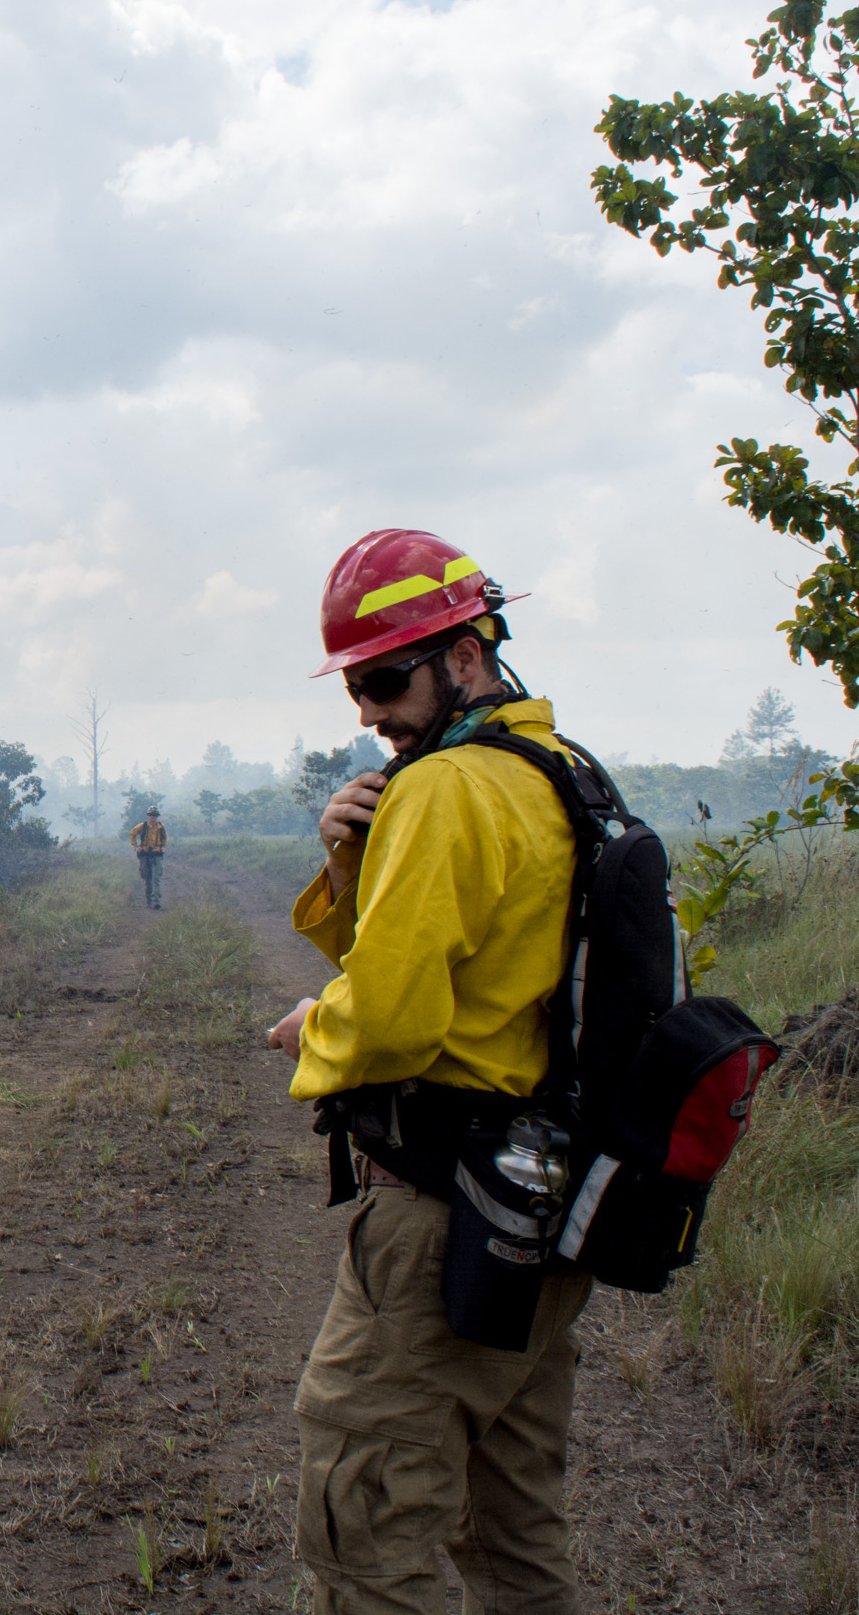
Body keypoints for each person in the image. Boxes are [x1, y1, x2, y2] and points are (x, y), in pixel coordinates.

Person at [263, 528, 595, 1615]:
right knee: (511, 1529)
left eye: (383, 677)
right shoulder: (560, 773)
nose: (365, 709)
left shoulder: (446, 791)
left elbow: (393, 1015)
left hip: (443, 1219)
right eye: (355, 686)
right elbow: (470, 965)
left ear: (465, 654)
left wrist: (318, 1027)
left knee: (364, 1520)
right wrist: (349, 862)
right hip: (538, 1211)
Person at [127, 805, 167, 908]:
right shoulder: (142, 826)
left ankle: (156, 900)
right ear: (148, 816)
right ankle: (149, 899)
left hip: (157, 854)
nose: (153, 817)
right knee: (147, 877)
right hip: (145, 854)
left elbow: (164, 839)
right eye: (151, 815)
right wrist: (136, 846)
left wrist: (164, 847)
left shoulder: (161, 827)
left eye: (155, 815)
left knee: (156, 877)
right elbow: (132, 833)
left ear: (157, 816)